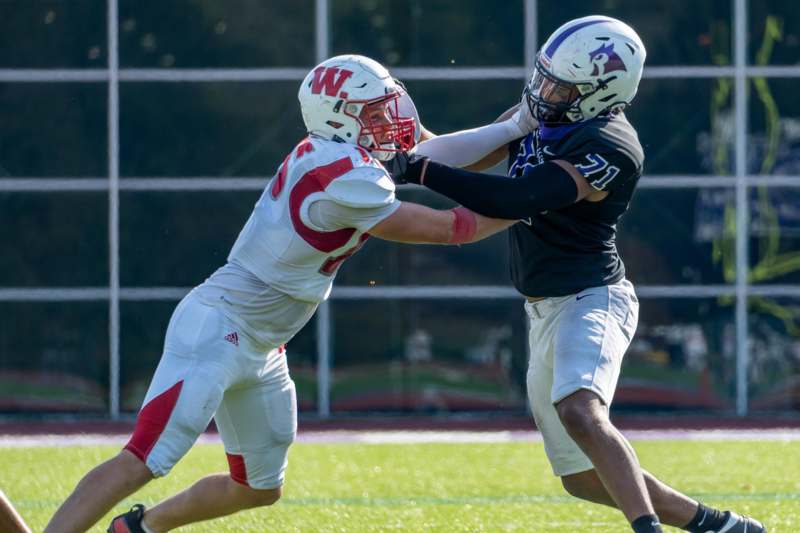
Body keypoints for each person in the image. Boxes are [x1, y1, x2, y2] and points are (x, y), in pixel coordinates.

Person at [42, 54, 528, 533]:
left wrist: (519, 124)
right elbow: (449, 228)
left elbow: (440, 151)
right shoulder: (342, 172)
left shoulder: (343, 154)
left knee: (258, 487)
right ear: (339, 117)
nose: (389, 121)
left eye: (387, 106)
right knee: (143, 459)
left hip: (263, 343)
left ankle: (140, 528)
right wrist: (536, 200)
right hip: (220, 327)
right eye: (374, 112)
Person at [391, 15, 767, 533]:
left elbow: (516, 197)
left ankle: (648, 529)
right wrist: (401, 153)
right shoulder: (547, 113)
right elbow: (474, 151)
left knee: (580, 410)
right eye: (544, 76)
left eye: (560, 85)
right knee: (581, 477)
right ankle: (718, 525)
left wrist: (416, 170)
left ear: (601, 91)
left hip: (591, 296)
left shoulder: (612, 145)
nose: (544, 92)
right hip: (544, 306)